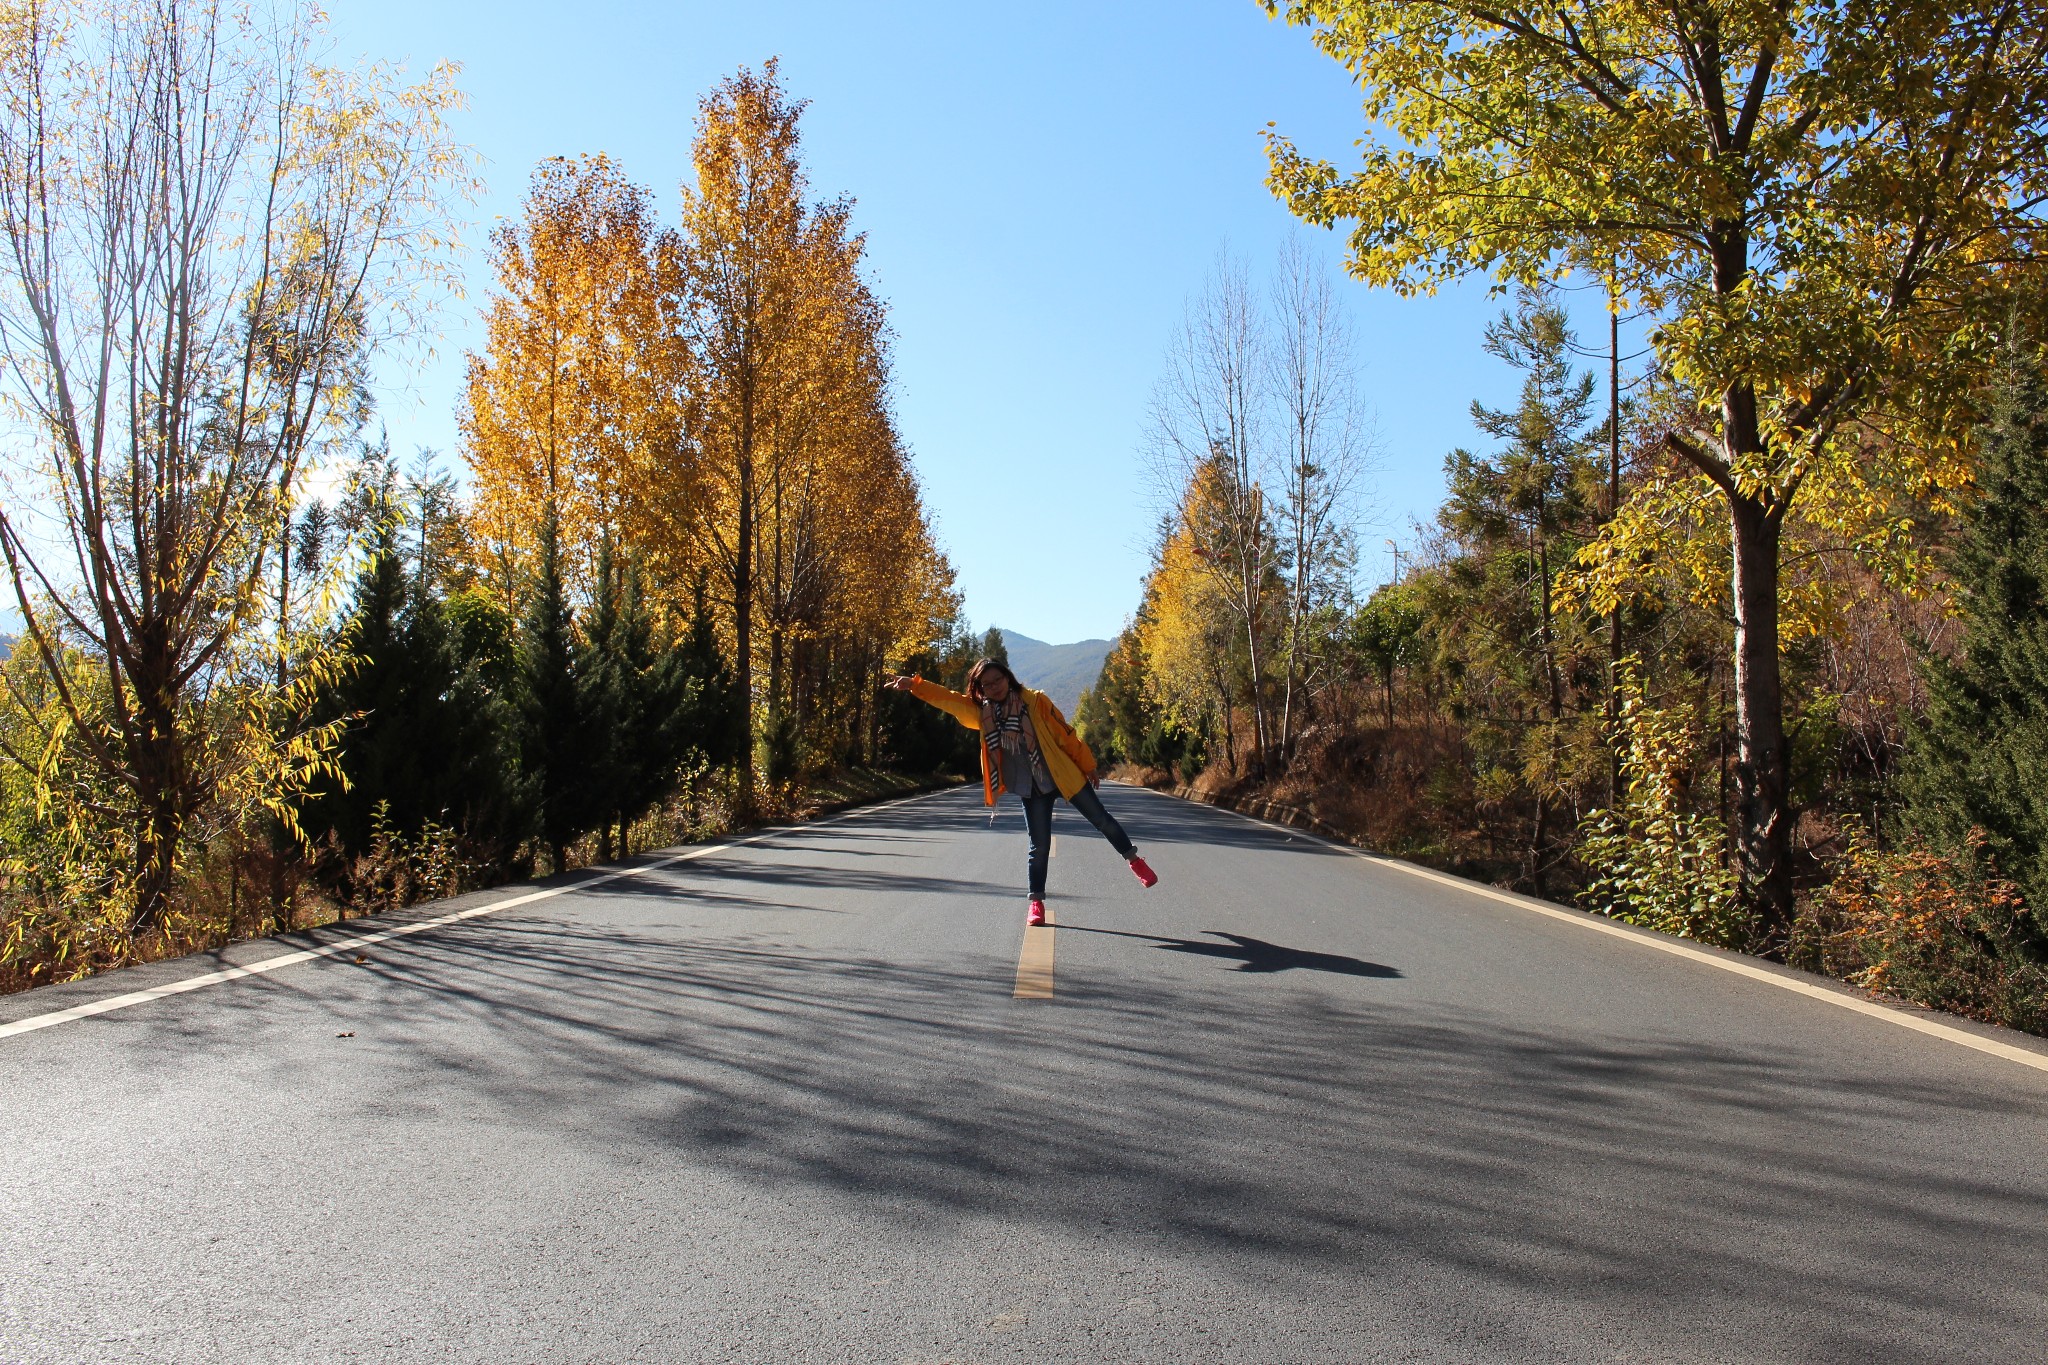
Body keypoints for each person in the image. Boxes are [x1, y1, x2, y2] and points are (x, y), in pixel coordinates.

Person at [886, 658, 1157, 925]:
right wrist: (915, 685)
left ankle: (1134, 860)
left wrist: (1087, 765)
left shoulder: (1036, 701)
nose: (994, 687)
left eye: (998, 680)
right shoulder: (982, 713)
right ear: (979, 687)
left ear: (1008, 677)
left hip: (1062, 774)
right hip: (1030, 787)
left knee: (1102, 820)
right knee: (1038, 847)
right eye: (987, 684)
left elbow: (1065, 734)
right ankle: (1036, 903)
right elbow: (949, 699)